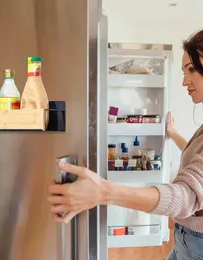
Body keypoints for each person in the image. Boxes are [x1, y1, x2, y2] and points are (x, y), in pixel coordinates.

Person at [47, 29, 203, 260]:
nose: (184, 81)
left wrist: (103, 192)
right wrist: (175, 134)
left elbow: (187, 196)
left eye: (191, 69)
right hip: (188, 241)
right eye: (183, 71)